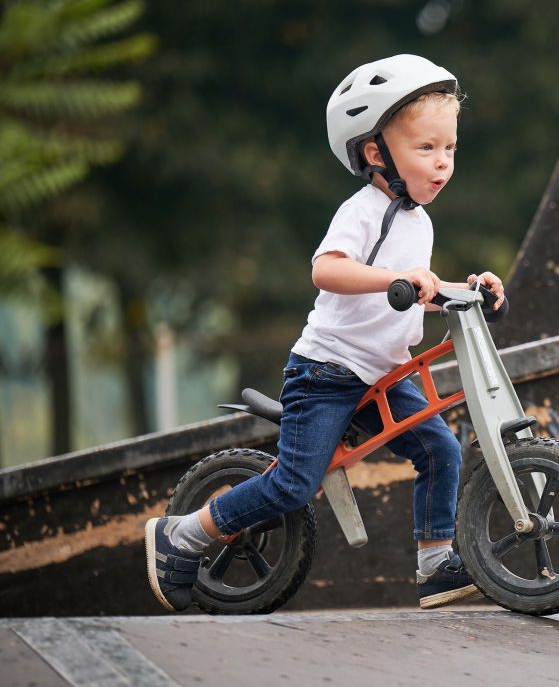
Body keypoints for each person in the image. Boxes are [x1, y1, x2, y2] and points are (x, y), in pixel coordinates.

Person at [144, 54, 504, 612]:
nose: (442, 162)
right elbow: (327, 270)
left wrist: (471, 288)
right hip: (328, 372)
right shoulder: (363, 210)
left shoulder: (419, 221)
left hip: (382, 374)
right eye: (426, 148)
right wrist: (397, 279)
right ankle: (182, 534)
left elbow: (413, 290)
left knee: (440, 449)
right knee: (294, 484)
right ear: (376, 153)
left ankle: (436, 566)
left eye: (450, 148)